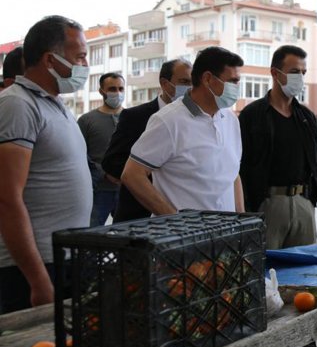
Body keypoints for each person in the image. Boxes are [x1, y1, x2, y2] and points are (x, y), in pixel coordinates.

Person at [239, 44, 317, 347]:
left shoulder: (306, 117)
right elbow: (242, 166)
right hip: (268, 206)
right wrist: (247, 211)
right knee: (265, 288)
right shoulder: (253, 115)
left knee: (303, 285)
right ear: (275, 73)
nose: (300, 78)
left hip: (303, 204)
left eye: (303, 73)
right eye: (294, 72)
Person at [0, 15, 92, 313]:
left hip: (64, 259)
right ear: (50, 60)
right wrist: (37, 278)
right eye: (79, 57)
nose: (85, 65)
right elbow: (7, 198)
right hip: (30, 267)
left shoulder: (54, 104)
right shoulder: (17, 104)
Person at [121, 47, 244, 215]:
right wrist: (174, 219)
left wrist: (241, 220)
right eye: (233, 81)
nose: (237, 87)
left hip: (225, 234)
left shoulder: (230, 120)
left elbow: (233, 175)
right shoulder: (168, 120)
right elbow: (133, 175)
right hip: (183, 237)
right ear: (207, 79)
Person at [102, 59, 192, 222]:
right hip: (138, 214)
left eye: (194, 83)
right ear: (165, 84)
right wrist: (149, 172)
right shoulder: (135, 117)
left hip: (181, 213)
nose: (190, 88)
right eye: (184, 82)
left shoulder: (193, 118)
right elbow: (112, 162)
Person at [77, 73, 126, 226]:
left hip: (127, 190)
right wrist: (104, 174)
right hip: (99, 190)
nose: (117, 93)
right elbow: (80, 155)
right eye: (112, 89)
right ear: (101, 91)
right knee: (91, 236)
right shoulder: (87, 120)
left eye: (121, 88)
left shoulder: (131, 117)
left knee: (129, 238)